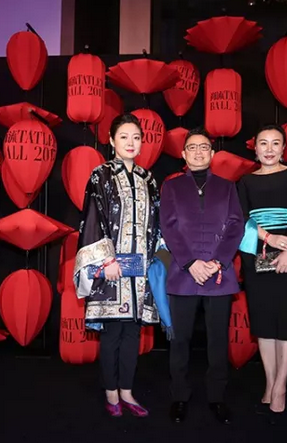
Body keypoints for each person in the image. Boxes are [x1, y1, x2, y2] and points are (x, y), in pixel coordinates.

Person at [73, 113, 162, 418]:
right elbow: (92, 217)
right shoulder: (101, 175)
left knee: (132, 335)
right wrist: (106, 259)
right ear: (111, 141)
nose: (130, 142)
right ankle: (111, 393)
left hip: (139, 271)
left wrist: (155, 261)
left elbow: (156, 223)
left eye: (136, 137)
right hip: (111, 269)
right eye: (124, 136)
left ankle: (127, 391)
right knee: (112, 334)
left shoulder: (148, 179)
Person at [160, 127, 244, 425]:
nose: (198, 152)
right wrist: (190, 263)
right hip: (183, 273)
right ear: (183, 154)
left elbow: (236, 225)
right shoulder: (171, 187)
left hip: (218, 274)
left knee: (218, 340)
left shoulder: (227, 187)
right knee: (180, 340)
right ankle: (179, 396)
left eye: (204, 147)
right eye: (192, 147)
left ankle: (217, 397)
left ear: (212, 153)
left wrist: (218, 261)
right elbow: (168, 226)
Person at [236, 124, 287, 422]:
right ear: (255, 148)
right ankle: (269, 381)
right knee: (264, 323)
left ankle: (281, 387)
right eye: (263, 143)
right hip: (257, 251)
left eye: (275, 143)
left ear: (283, 148)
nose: (269, 149)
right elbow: (241, 218)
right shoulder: (245, 181)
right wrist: (268, 238)